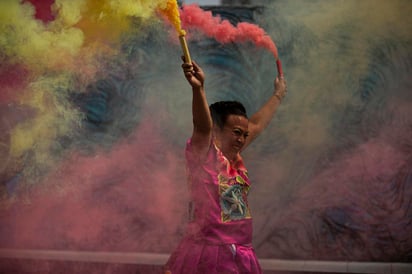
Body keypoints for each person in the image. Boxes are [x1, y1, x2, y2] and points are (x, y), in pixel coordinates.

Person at [164, 58, 287, 274]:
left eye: (244, 135)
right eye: (236, 133)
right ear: (217, 130)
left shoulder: (234, 157)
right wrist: (199, 88)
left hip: (240, 253)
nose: (241, 139)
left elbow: (256, 124)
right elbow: (202, 126)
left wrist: (278, 94)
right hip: (210, 254)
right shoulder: (204, 153)